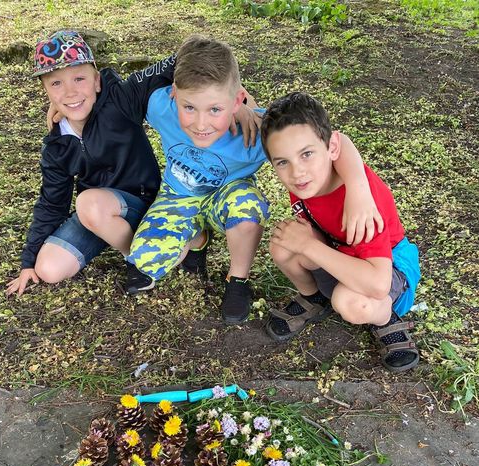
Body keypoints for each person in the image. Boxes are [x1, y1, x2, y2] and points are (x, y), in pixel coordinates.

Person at [124, 35, 384, 325]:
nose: (200, 124)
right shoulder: (159, 106)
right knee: (145, 263)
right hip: (178, 196)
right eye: (189, 108)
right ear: (174, 94)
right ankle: (197, 239)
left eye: (215, 110)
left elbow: (336, 141)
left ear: (236, 101)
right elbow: (118, 98)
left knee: (248, 205)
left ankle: (238, 279)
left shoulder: (256, 131)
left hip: (227, 196)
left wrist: (359, 190)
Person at [6, 29, 178, 296]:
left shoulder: (121, 99)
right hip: (98, 216)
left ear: (97, 81)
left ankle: (142, 261)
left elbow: (182, 58)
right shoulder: (57, 145)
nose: (70, 92)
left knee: (89, 202)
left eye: (79, 78)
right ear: (46, 91)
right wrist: (28, 262)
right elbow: (52, 203)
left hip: (143, 204)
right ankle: (128, 242)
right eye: (56, 84)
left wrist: (233, 91)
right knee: (48, 269)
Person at [261, 91, 420, 371]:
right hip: (341, 251)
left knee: (351, 302)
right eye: (283, 162)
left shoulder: (364, 206)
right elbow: (341, 139)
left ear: (330, 148)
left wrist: (309, 246)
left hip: (389, 267)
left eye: (307, 154)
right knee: (283, 243)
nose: (297, 172)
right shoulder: (313, 176)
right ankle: (314, 297)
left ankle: (386, 317)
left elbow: (378, 283)